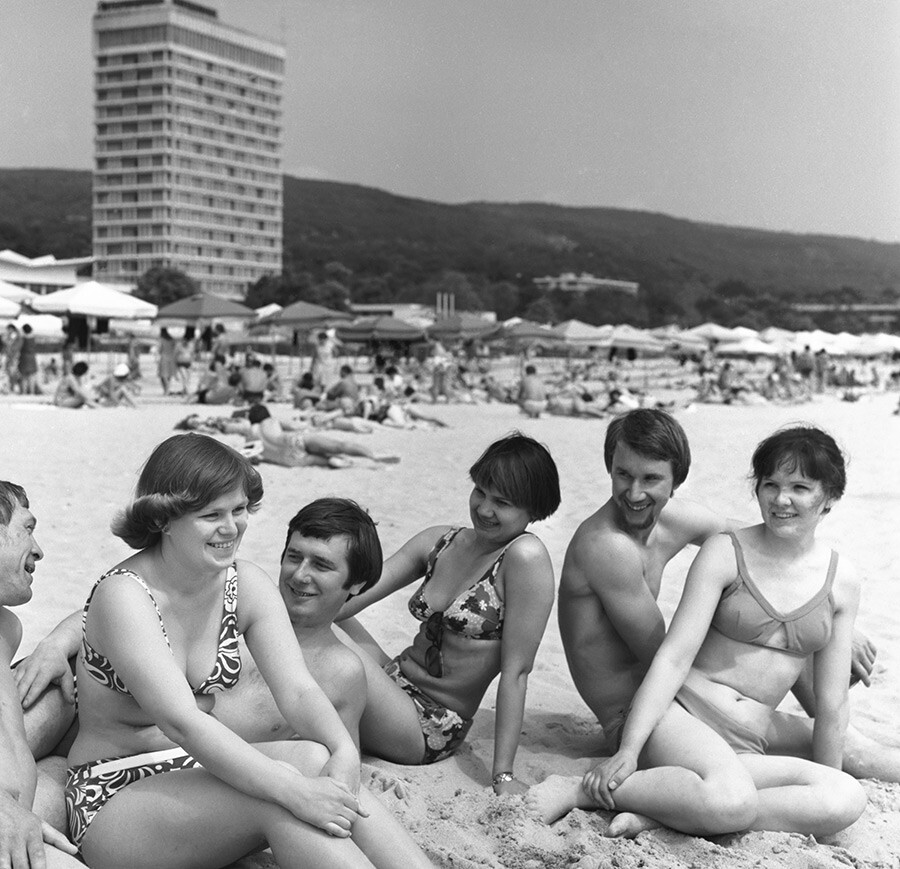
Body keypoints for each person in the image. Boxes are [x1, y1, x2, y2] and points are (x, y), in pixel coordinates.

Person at [61, 433, 432, 868]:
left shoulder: (245, 584)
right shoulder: (124, 596)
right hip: (113, 795)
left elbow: (298, 691)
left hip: (191, 774)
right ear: (164, 518)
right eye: (210, 514)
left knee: (315, 758)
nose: (231, 527)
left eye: (238, 510)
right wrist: (294, 791)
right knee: (281, 801)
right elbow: (183, 723)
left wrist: (344, 752)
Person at [532, 425, 867, 839]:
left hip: (750, 734)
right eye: (772, 485)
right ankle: (588, 789)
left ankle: (672, 808)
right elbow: (672, 656)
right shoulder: (709, 552)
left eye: (800, 487)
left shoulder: (843, 579)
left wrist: (824, 784)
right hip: (685, 713)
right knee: (731, 801)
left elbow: (832, 704)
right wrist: (630, 749)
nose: (782, 498)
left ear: (830, 496)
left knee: (845, 797)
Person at [337, 432, 560, 793]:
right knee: (324, 613)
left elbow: (516, 672)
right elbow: (358, 596)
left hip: (430, 722)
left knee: (324, 637)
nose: (485, 510)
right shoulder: (441, 541)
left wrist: (502, 774)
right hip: (392, 681)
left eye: (501, 502)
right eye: (480, 492)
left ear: (533, 510)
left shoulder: (524, 558)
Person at [212, 498, 384, 746]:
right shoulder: (231, 607)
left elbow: (340, 764)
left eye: (321, 565)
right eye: (294, 557)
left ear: (357, 583)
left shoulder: (341, 672)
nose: (300, 575)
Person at [0, 481, 82, 867]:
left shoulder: (6, 629)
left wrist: (56, 643)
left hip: (25, 804)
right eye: (27, 529)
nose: (39, 550)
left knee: (72, 676)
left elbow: (116, 604)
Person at [247, 404, 399, 468]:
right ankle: (373, 456)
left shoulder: (251, 433)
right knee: (338, 446)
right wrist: (307, 422)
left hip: (287, 459)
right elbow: (296, 426)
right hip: (294, 440)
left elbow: (252, 455)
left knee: (320, 460)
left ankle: (331, 461)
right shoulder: (270, 421)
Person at [18, 324, 39, 395]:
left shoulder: (22, 339)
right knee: (31, 376)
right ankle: (32, 392)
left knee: (24, 376)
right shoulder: (33, 338)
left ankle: (24, 391)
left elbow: (18, 347)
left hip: (24, 358)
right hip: (32, 358)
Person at [156, 328, 177, 396]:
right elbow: (175, 349)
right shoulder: (172, 339)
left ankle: (166, 390)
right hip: (171, 357)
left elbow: (159, 349)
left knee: (163, 375)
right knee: (169, 375)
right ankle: (167, 390)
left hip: (164, 358)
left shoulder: (161, 340)